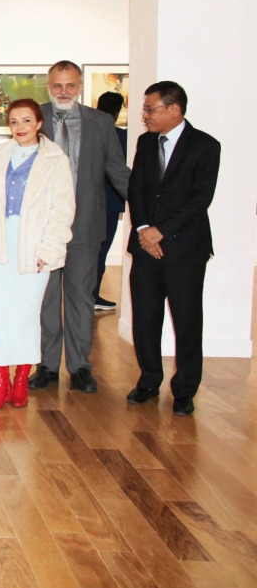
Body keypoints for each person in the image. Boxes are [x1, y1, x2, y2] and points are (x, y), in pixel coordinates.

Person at [31, 61, 131, 394]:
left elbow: (118, 172)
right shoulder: (35, 116)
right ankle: (46, 365)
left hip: (85, 227)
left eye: (70, 86)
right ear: (48, 86)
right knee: (45, 300)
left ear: (80, 86)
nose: (63, 92)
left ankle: (80, 367)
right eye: (57, 86)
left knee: (80, 298)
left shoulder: (101, 123)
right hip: (42, 229)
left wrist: (149, 210)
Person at [126, 82, 219, 417]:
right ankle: (149, 380)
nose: (144, 115)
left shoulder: (206, 146)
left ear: (174, 109)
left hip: (184, 251)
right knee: (145, 319)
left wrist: (160, 232)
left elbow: (200, 199)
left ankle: (184, 390)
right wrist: (142, 231)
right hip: (145, 248)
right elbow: (135, 188)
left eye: (150, 109)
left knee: (187, 320)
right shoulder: (145, 142)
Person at [0, 100, 75, 410]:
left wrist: (50, 248)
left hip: (34, 245)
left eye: (26, 120)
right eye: (14, 121)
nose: (20, 127)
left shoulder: (54, 159)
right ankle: (0, 383)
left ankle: (21, 380)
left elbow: (63, 209)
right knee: (2, 317)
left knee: (26, 315)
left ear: (39, 123)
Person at [93, 91, 128, 311]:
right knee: (100, 251)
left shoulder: (85, 133)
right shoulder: (120, 137)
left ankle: (83, 295)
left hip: (85, 203)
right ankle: (92, 295)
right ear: (117, 113)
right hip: (109, 203)